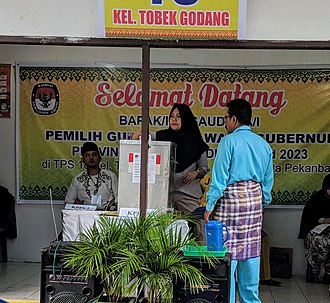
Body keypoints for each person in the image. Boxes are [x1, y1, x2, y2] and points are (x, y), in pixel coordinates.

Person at [204, 98, 274, 303]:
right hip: (254, 203)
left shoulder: (228, 142)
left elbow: (219, 179)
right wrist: (262, 203)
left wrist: (209, 206)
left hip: (231, 202)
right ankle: (251, 299)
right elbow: (268, 182)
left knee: (228, 257)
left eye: (226, 118)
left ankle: (229, 299)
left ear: (234, 119)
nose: (225, 123)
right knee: (251, 254)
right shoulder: (263, 145)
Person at [132, 103, 209, 241]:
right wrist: (134, 143)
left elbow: (204, 168)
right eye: (172, 116)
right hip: (163, 194)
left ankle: (199, 260)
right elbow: (139, 135)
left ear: (186, 119)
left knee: (198, 228)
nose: (174, 119)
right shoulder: (161, 136)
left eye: (178, 117)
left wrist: (196, 173)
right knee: (160, 230)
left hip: (187, 194)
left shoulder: (196, 142)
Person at [65, 142, 118, 210]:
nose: (91, 158)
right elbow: (68, 200)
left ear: (100, 158)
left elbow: (119, 199)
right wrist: (76, 204)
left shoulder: (111, 176)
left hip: (106, 216)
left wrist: (113, 204)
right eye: (87, 155)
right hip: (84, 216)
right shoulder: (77, 179)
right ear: (82, 160)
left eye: (94, 155)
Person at [298, 174, 330, 282]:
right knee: (320, 243)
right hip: (315, 231)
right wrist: (324, 220)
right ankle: (321, 269)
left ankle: (325, 269)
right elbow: (310, 218)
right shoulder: (317, 199)